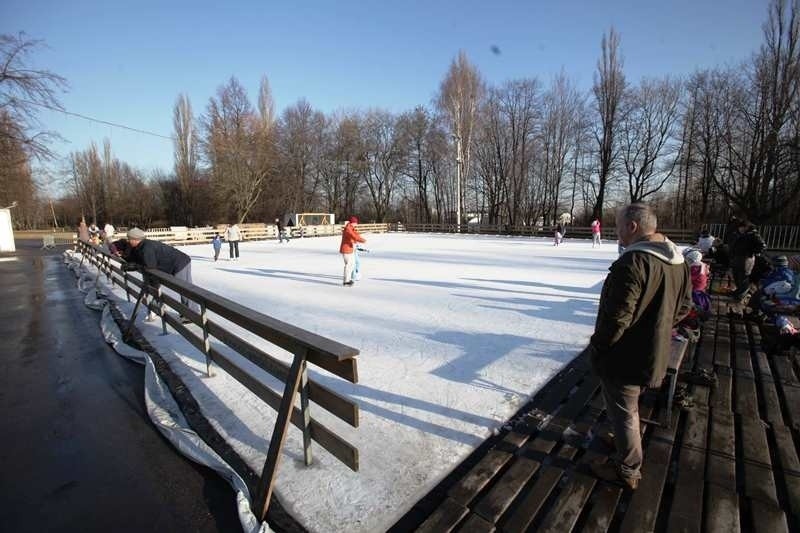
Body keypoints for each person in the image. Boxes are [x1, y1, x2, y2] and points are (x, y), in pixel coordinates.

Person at [588, 203, 692, 490]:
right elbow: (685, 306)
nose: (616, 230)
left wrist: (597, 347)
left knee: (625, 410)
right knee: (626, 409)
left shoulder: (633, 263)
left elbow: (616, 319)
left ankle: (628, 468)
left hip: (625, 356)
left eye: (619, 225)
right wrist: (657, 327)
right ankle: (623, 441)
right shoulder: (677, 260)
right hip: (654, 350)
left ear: (632, 227)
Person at [122, 227, 199, 322]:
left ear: (135, 239)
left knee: (184, 288)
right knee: (182, 288)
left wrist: (135, 266)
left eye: (129, 239)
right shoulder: (141, 246)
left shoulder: (147, 247)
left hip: (180, 263)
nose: (128, 241)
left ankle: (193, 314)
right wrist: (130, 263)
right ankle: (185, 312)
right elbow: (141, 260)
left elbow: (150, 266)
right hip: (172, 264)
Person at [730, 220, 765, 300]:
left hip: (746, 258)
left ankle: (741, 294)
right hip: (737, 257)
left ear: (746, 227)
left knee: (743, 277)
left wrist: (752, 252)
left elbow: (762, 246)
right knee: (736, 275)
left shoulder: (754, 235)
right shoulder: (740, 234)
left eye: (741, 227)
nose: (740, 229)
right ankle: (739, 291)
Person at [340, 216, 366, 286]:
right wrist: (362, 240)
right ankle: (346, 281)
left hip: (350, 249)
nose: (356, 224)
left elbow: (355, 234)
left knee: (352, 264)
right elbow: (353, 236)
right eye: (356, 223)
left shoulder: (351, 228)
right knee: (348, 265)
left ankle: (349, 279)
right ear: (353, 223)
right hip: (346, 250)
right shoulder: (348, 229)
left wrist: (359, 238)